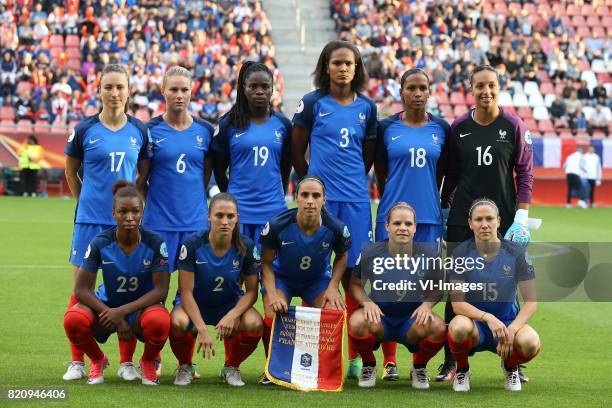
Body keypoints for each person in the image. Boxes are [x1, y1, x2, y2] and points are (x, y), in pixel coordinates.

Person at [439, 64, 533, 382]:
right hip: (461, 217)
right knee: (456, 289)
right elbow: (451, 173)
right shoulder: (459, 126)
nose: (486, 91)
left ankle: (513, 358)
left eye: (491, 85)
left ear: (499, 86)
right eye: (479, 85)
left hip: (502, 219)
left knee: (509, 283)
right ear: (471, 87)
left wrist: (521, 215)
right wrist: (443, 207)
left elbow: (525, 173)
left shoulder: (514, 125)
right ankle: (452, 361)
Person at [292, 40, 377, 378]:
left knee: (355, 279)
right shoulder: (312, 103)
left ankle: (356, 357)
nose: (343, 68)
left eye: (349, 64)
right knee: (314, 276)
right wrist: (310, 185)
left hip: (355, 202)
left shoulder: (367, 108)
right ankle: (308, 355)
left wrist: (352, 181)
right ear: (326, 66)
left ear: (357, 69)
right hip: (320, 204)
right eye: (337, 63)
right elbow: (297, 151)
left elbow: (368, 156)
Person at [63, 64, 150, 381]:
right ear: (99, 91)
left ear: (129, 92)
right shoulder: (85, 130)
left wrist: (133, 208)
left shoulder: (139, 131)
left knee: (126, 288)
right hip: (89, 222)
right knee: (78, 290)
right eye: (108, 87)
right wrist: (83, 202)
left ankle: (127, 363)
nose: (114, 93)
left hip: (124, 226)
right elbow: (70, 171)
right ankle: (80, 361)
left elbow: (144, 173)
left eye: (120, 87)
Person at [374, 68, 450, 380]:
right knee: (386, 285)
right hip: (391, 218)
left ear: (429, 92)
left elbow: (443, 171)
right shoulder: (386, 127)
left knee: (422, 287)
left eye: (422, 88)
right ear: (402, 92)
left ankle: (418, 364)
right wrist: (391, 203)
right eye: (411, 88)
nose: (417, 93)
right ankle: (389, 361)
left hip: (429, 218)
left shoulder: (441, 128)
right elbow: (380, 170)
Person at [63, 181, 171, 385]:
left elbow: (161, 291)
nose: (130, 217)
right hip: (108, 308)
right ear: (113, 212)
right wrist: (110, 312)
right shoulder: (100, 242)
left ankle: (148, 361)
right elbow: (80, 289)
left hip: (141, 311)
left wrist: (122, 312)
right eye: (123, 211)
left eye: (135, 211)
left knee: (160, 321)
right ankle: (98, 359)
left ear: (142, 213)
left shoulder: (156, 242)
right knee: (74, 319)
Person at [258, 176, 351, 384]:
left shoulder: (336, 227)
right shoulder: (277, 225)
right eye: (305, 195)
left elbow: (343, 256)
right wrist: (272, 294)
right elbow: (265, 263)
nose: (310, 200)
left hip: (316, 281)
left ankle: (320, 371)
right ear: (296, 198)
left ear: (324, 200)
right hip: (284, 279)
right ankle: (273, 371)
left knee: (334, 313)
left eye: (316, 195)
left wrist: (334, 286)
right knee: (273, 313)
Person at [169, 193, 263, 387]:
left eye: (230, 216)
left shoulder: (246, 246)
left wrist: (233, 315)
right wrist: (202, 328)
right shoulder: (193, 245)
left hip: (229, 304)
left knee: (254, 322)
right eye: (219, 215)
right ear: (209, 216)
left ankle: (231, 367)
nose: (225, 222)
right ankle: (185, 367)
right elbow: (185, 292)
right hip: (196, 304)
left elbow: (252, 291)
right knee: (178, 322)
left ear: (237, 217)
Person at [349, 202, 446, 389]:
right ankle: (369, 365)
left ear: (415, 228)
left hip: (412, 322)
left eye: (408, 224)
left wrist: (426, 306)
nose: (403, 228)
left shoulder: (429, 254)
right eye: (397, 223)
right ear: (387, 226)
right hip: (380, 320)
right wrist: (367, 302)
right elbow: (355, 284)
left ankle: (419, 366)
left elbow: (437, 288)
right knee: (356, 322)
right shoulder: (371, 252)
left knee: (440, 328)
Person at [448, 199, 540, 392]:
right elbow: (457, 305)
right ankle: (462, 369)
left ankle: (510, 366)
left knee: (531, 342)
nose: (484, 224)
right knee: (457, 327)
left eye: (489, 218)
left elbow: (531, 302)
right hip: (476, 326)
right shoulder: (460, 253)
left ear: (498, 221)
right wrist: (488, 317)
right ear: (470, 223)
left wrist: (513, 329)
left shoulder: (516, 253)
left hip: (507, 324)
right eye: (478, 219)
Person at [212, 61, 292, 250]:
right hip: (239, 212)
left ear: (273, 90)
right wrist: (231, 195)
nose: (259, 91)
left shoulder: (283, 124)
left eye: (265, 87)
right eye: (253, 86)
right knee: (239, 273)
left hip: (274, 210)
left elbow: (286, 165)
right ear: (243, 89)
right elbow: (218, 168)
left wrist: (276, 191)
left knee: (270, 272)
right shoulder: (228, 124)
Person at [141, 66, 214, 273]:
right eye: (173, 90)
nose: (179, 96)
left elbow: (204, 177)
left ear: (192, 91)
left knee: (193, 294)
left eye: (185, 90)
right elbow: (141, 179)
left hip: (195, 224)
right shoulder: (149, 130)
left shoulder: (206, 131)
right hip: (158, 223)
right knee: (154, 292)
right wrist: (155, 203)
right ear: (163, 90)